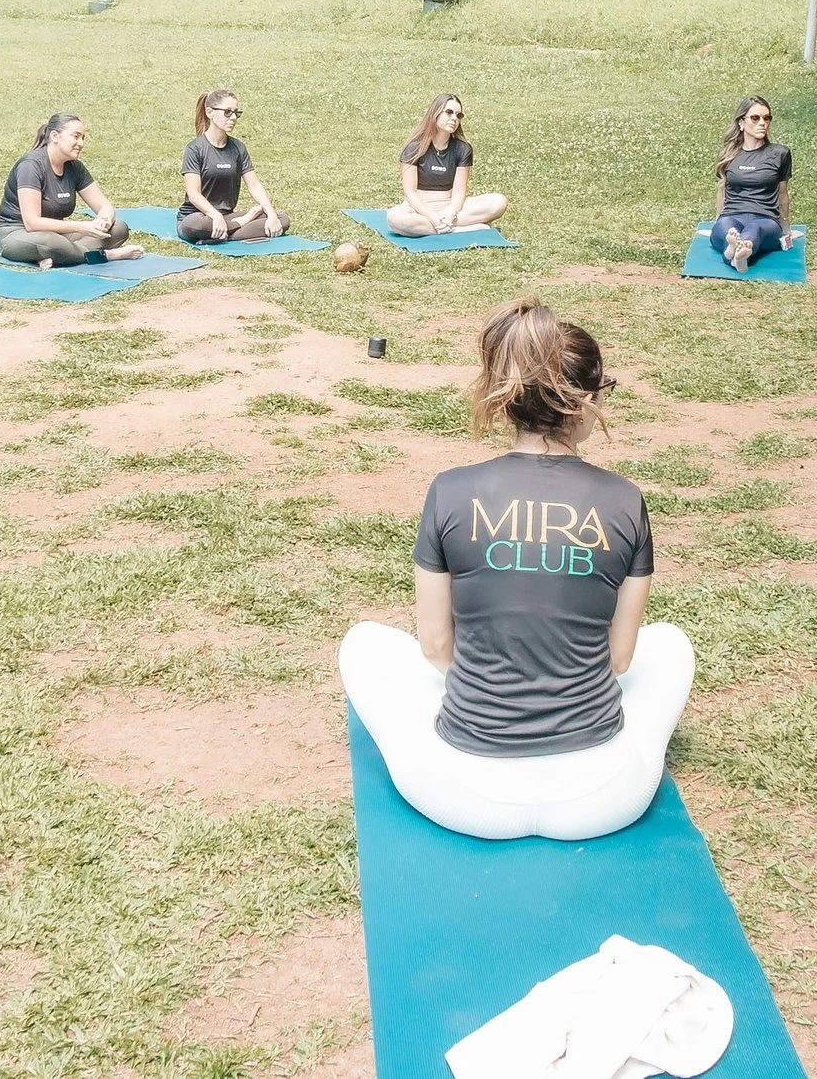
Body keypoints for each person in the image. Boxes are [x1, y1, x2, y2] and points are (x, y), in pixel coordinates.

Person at [339, 299, 692, 840]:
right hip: (603, 797)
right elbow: (619, 659)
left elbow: (435, 648)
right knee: (669, 645)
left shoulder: (451, 491)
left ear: (506, 400)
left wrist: (497, 693)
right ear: (586, 401)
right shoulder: (625, 501)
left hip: (461, 794)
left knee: (363, 643)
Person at [0, 113, 140, 268]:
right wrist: (83, 226)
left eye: (83, 138)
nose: (81, 143)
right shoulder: (31, 166)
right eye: (76, 136)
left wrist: (103, 221)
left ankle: (55, 256)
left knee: (118, 228)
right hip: (17, 233)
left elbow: (104, 206)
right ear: (55, 136)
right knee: (52, 243)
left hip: (58, 234)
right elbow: (32, 223)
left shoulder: (74, 166)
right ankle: (105, 255)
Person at [386, 95, 509, 238]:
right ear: (435, 113)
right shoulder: (414, 147)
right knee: (394, 218)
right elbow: (410, 192)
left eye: (459, 115)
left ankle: (439, 227)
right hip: (419, 209)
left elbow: (459, 192)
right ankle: (458, 230)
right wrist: (431, 216)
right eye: (449, 112)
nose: (454, 118)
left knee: (498, 202)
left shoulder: (463, 149)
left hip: (450, 207)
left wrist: (451, 212)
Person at [179, 90, 289, 244]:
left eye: (236, 113)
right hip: (198, 217)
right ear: (209, 112)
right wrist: (217, 216)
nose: (233, 118)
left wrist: (270, 214)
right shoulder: (194, 148)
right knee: (195, 226)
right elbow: (193, 194)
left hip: (226, 217)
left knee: (282, 219)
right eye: (227, 112)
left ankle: (219, 234)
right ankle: (238, 224)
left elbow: (254, 185)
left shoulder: (238, 148)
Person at [712, 96, 793, 270]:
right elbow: (722, 189)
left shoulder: (780, 153)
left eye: (767, 118)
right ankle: (736, 255)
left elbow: (782, 193)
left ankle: (738, 252)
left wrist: (786, 227)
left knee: (754, 230)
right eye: (755, 118)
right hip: (732, 214)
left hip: (766, 218)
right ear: (742, 122)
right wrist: (717, 219)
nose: (762, 123)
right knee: (726, 230)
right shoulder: (729, 153)